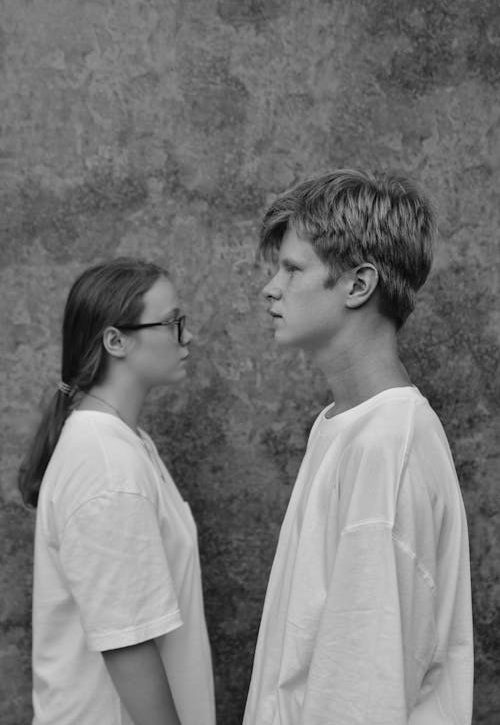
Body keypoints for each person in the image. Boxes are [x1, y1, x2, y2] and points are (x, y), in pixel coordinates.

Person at [243, 170, 473, 725]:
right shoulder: (345, 425)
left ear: (357, 284)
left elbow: (360, 696)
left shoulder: (385, 448)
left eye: (293, 269)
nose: (271, 287)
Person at [19, 258, 216, 725]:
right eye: (172, 323)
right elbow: (128, 643)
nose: (188, 337)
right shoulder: (106, 464)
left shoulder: (123, 445)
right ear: (115, 340)